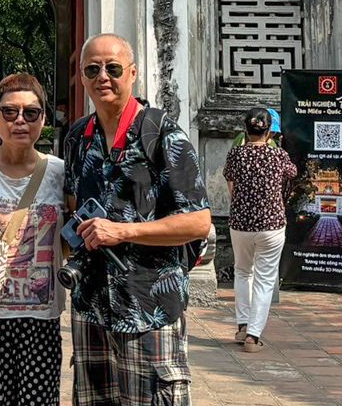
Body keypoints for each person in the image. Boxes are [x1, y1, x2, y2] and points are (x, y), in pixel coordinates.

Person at [60, 34, 210, 406]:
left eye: (112, 68)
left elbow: (199, 222)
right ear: (82, 77)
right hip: (91, 307)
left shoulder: (161, 133)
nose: (103, 77)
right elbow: (73, 206)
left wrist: (123, 231)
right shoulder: (78, 137)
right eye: (92, 69)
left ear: (132, 73)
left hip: (148, 307)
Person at [0, 73, 65, 406]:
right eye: (9, 112)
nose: (20, 120)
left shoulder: (60, 173)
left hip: (41, 319)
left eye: (31, 113)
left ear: (44, 119)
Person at [222, 105, 295, 352]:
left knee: (243, 272)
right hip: (272, 224)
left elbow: (230, 182)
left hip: (241, 223)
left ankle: (243, 324)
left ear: (246, 129)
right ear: (269, 133)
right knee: (264, 280)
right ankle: (253, 335)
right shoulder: (279, 156)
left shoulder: (236, 155)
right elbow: (292, 174)